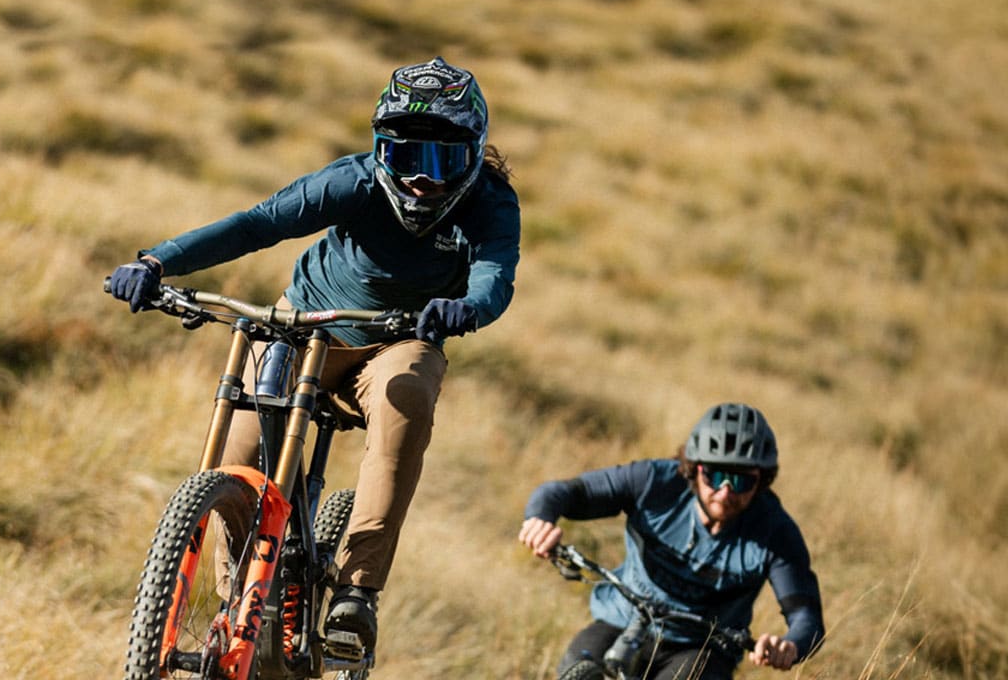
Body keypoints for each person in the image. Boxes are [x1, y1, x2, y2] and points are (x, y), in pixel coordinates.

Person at [108, 57, 520, 655]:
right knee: (239, 452)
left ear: (473, 152)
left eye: (443, 162)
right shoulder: (350, 183)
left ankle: (356, 595)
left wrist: (468, 309)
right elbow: (257, 224)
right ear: (381, 150)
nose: (421, 181)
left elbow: (494, 275)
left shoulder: (490, 202)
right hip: (307, 327)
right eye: (406, 157)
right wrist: (156, 262)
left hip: (401, 337)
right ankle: (242, 602)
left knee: (407, 397)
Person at [518, 402, 825, 679]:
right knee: (575, 669)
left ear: (763, 479)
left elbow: (807, 618)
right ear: (695, 467)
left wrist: (790, 645)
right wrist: (540, 520)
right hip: (622, 621)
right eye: (716, 477)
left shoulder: (775, 531)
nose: (726, 492)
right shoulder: (653, 483)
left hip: (700, 647)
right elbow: (560, 493)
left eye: (743, 480)